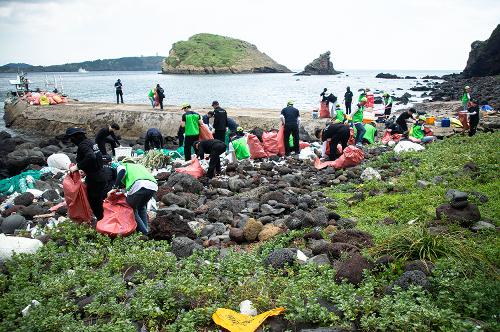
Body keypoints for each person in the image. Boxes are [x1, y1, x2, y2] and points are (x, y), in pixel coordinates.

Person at [66, 127, 106, 221]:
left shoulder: (83, 145)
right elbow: (97, 158)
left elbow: (91, 157)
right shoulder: (90, 142)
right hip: (101, 175)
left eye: (71, 138)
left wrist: (77, 166)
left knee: (95, 204)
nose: (71, 141)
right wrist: (85, 169)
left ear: (75, 137)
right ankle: (103, 222)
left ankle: (102, 224)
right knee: (99, 202)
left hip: (95, 179)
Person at [109, 158, 158, 235]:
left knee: (131, 208)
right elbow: (128, 186)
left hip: (139, 185)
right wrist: (122, 191)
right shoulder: (139, 166)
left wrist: (114, 188)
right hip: (153, 186)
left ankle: (144, 233)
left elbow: (122, 171)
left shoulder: (123, 165)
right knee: (141, 207)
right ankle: (145, 229)